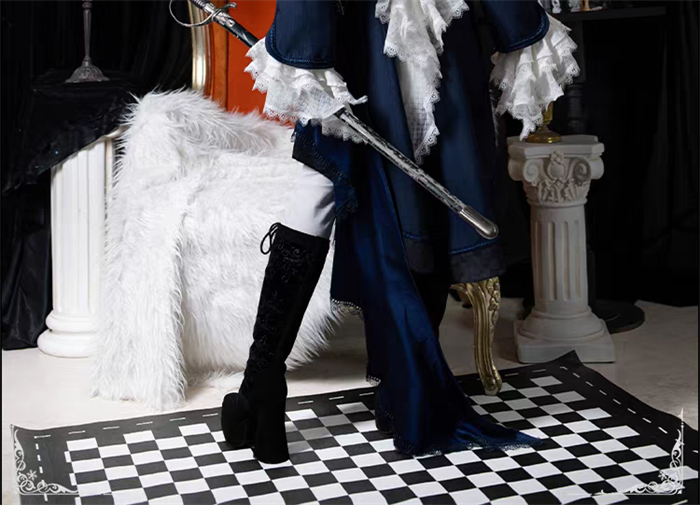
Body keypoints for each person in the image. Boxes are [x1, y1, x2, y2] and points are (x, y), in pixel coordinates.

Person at [221, 0, 579, 464]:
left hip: (384, 40)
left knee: (353, 189)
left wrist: (306, 44)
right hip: (402, 41)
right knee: (390, 184)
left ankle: (266, 389)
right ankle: (380, 390)